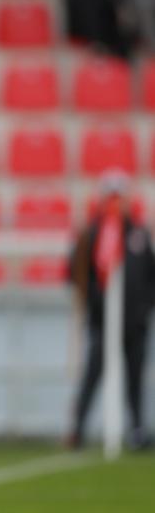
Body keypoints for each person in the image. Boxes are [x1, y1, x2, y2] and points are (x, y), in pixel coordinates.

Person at [67, 170, 155, 450]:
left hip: (136, 322)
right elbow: (76, 273)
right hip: (103, 322)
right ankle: (77, 429)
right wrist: (94, 301)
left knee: (135, 378)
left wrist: (144, 307)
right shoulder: (92, 234)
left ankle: (137, 430)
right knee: (92, 375)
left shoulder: (140, 234)